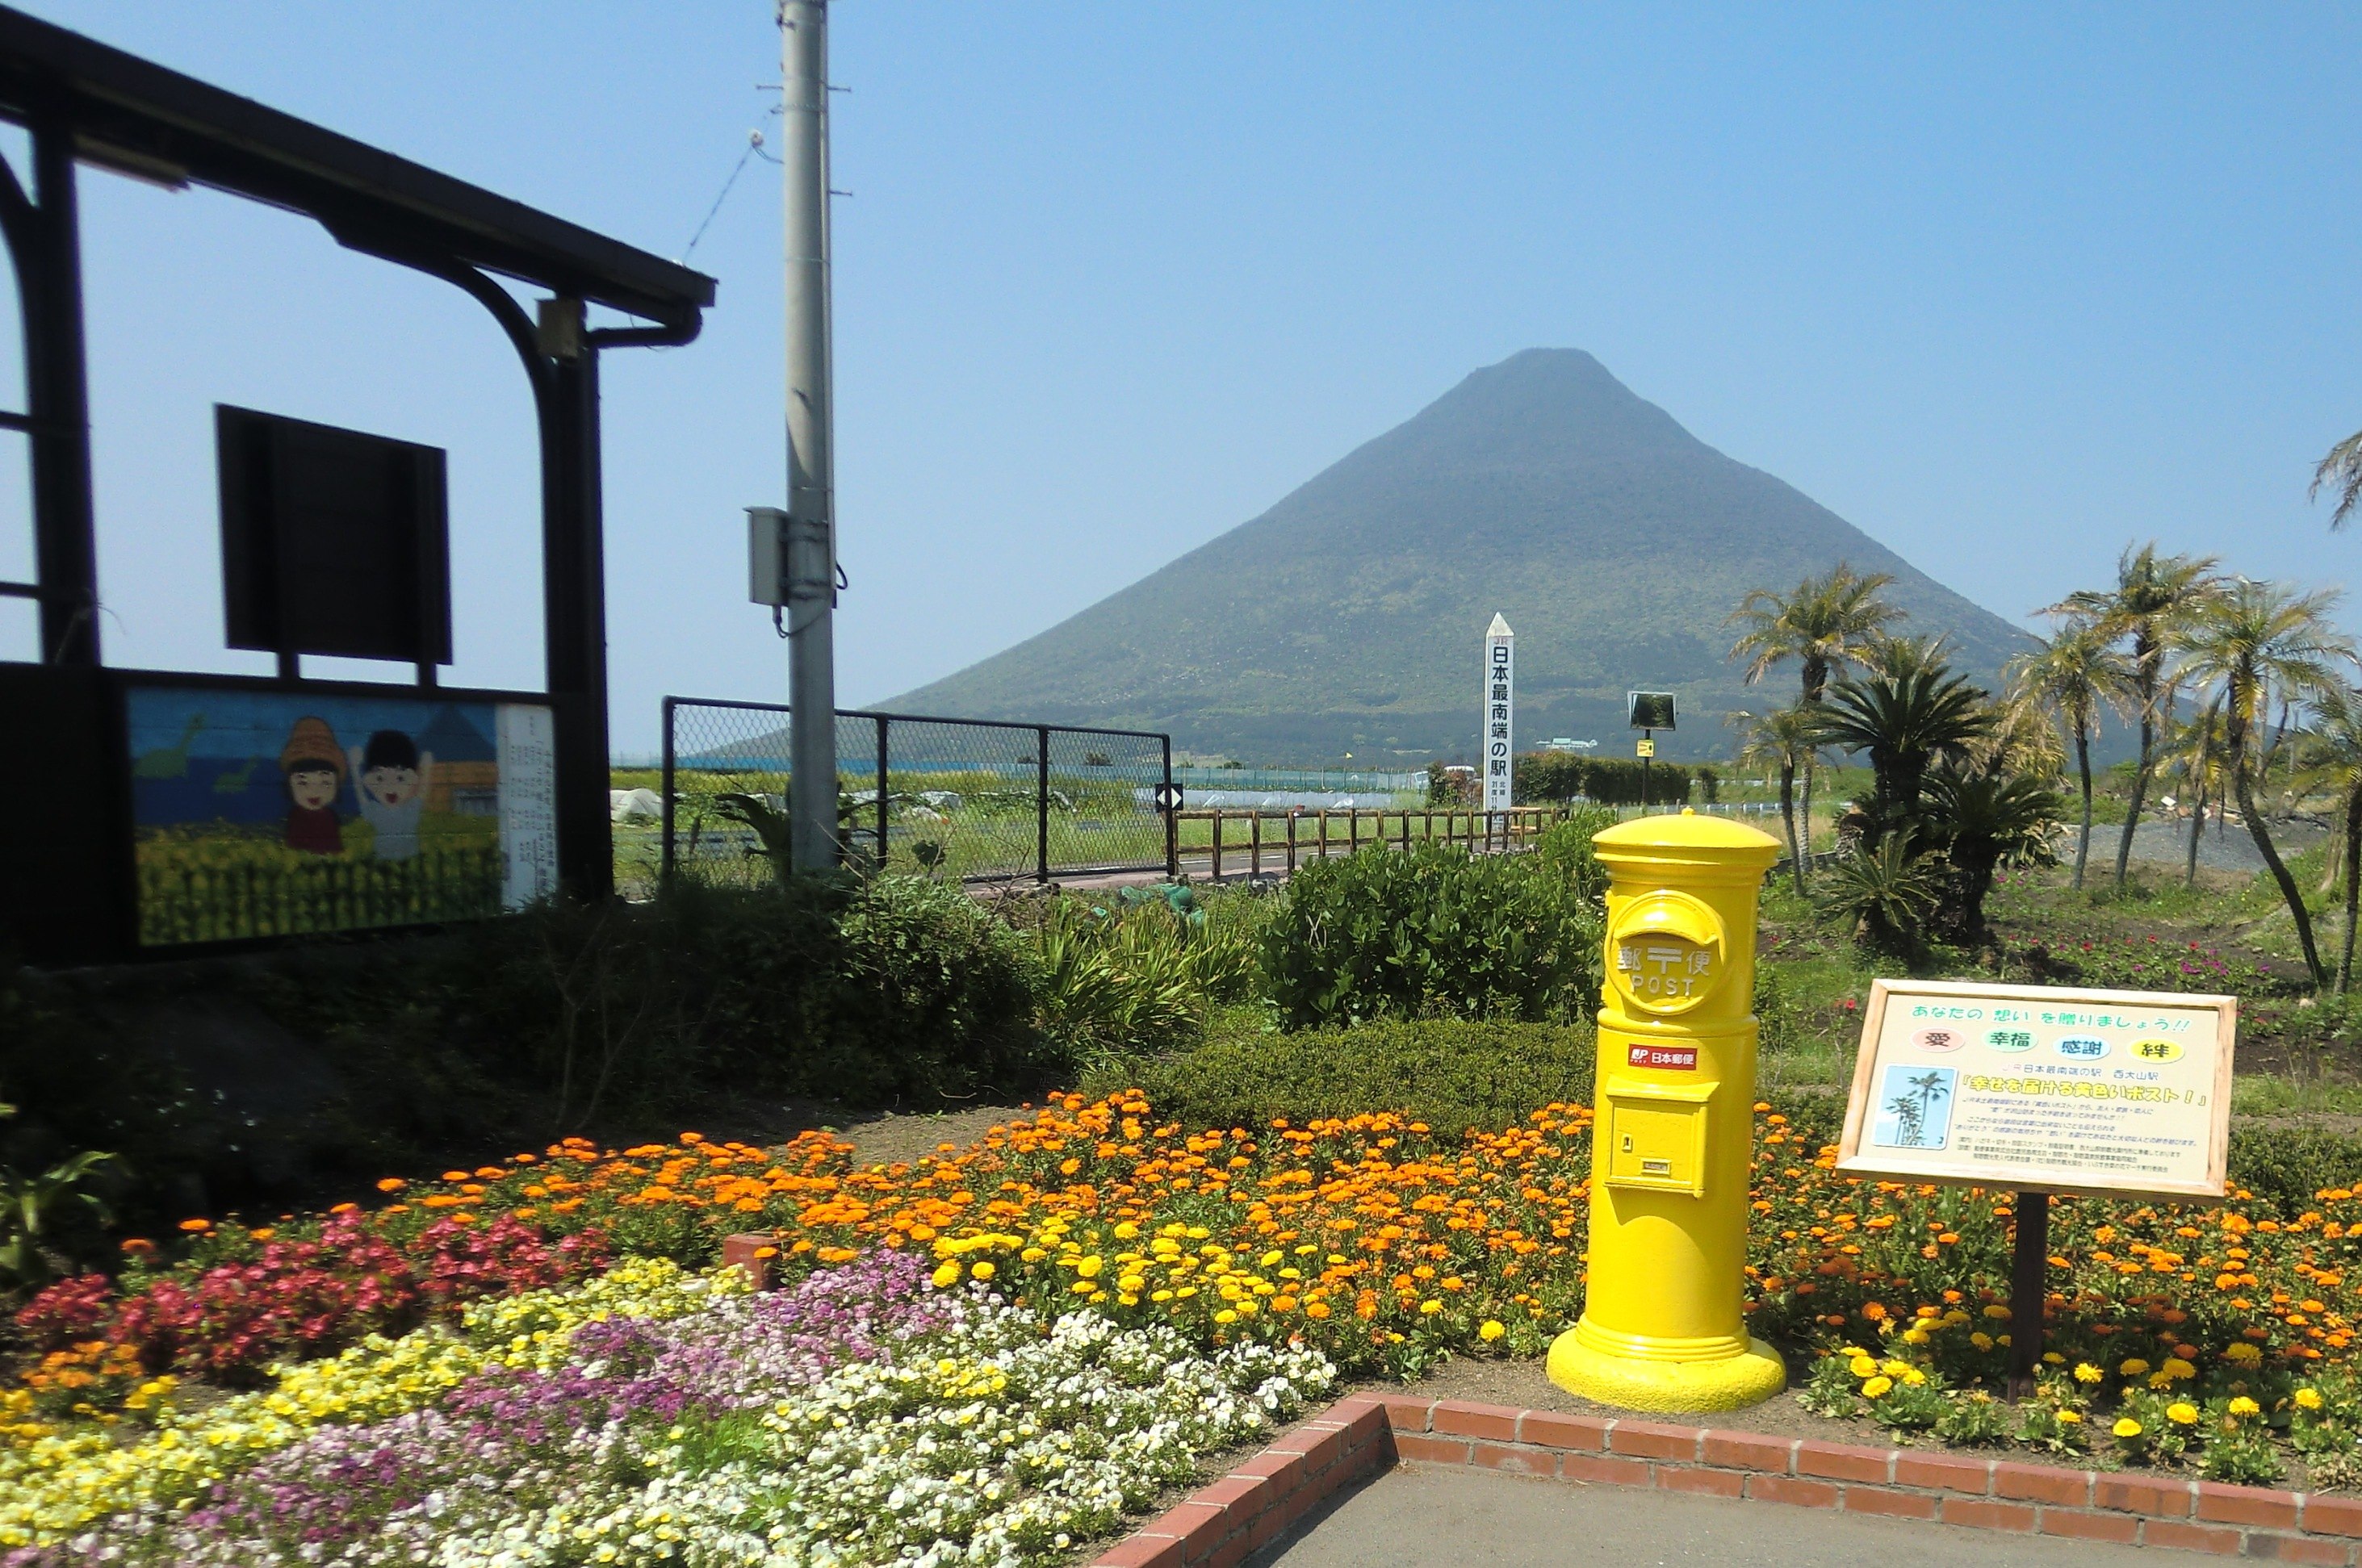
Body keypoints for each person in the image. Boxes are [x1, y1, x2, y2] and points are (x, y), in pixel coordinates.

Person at [350, 730, 433, 861]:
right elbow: (360, 794)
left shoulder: (410, 808)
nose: (390, 788)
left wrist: (427, 769)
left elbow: (423, 790)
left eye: (400, 778)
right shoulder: (375, 810)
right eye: (380, 778)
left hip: (409, 861)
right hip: (384, 863)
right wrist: (354, 768)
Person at [278, 716, 346, 855]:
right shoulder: (296, 818)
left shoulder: (331, 817)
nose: (314, 790)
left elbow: (336, 849)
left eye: (325, 783)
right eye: (303, 783)